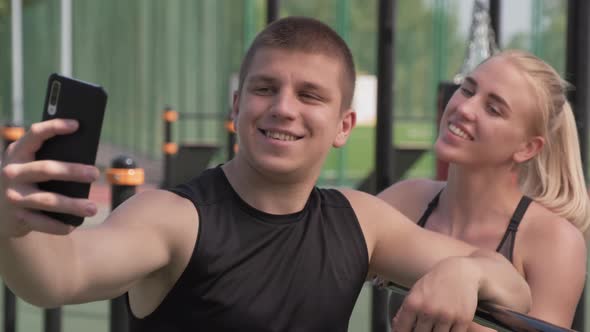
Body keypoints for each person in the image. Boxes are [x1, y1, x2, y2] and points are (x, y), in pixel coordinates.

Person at [0, 17, 531, 332]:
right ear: (236, 105)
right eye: (264, 89)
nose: (283, 108)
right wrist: (11, 221)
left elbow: (514, 290)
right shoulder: (174, 218)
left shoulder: (362, 221)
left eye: (310, 95)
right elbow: (56, 277)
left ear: (343, 125)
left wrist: (469, 272)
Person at [378, 50, 588, 329]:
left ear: (527, 148)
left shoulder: (554, 240)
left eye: (493, 109)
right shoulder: (405, 200)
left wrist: (466, 279)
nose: (464, 108)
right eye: (467, 90)